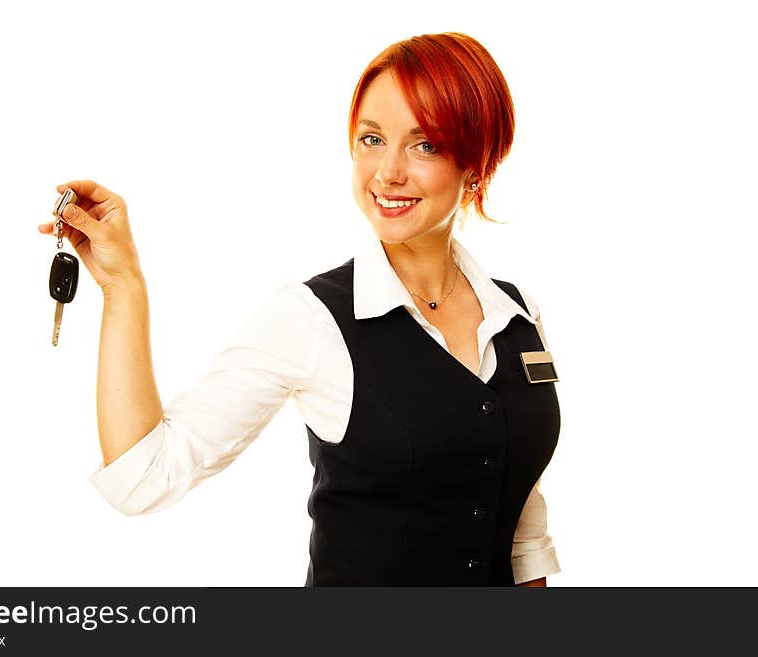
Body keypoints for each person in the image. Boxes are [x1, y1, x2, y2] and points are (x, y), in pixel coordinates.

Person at [37, 32, 561, 587]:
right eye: (371, 139)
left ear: (478, 160)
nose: (388, 172)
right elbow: (145, 478)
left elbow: (523, 533)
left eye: (424, 144)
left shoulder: (516, 314)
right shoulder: (310, 319)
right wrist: (124, 287)